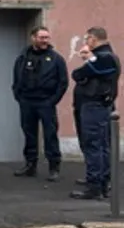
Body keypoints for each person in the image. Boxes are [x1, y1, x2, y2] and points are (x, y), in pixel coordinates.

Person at [12, 26, 68, 181]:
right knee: (29, 134)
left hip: (46, 102)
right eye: (42, 37)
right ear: (33, 38)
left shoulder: (56, 59)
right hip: (27, 101)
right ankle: (30, 165)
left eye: (47, 37)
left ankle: (54, 167)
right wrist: (19, 96)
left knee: (50, 135)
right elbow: (16, 78)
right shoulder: (23, 57)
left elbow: (63, 82)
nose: (45, 41)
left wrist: (53, 100)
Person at [70, 27, 120, 201]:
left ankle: (95, 186)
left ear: (93, 38)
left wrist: (88, 60)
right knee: (101, 145)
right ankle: (101, 182)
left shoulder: (104, 57)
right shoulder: (102, 57)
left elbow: (80, 73)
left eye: (87, 39)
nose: (85, 43)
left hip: (95, 105)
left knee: (94, 145)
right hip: (96, 105)